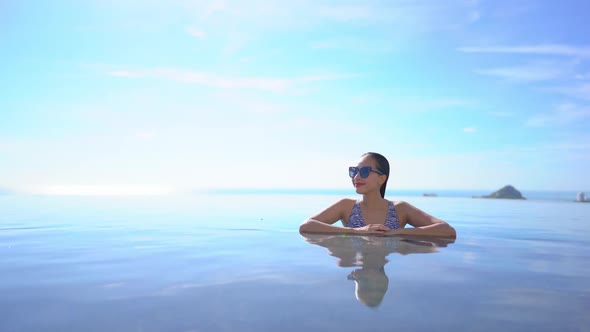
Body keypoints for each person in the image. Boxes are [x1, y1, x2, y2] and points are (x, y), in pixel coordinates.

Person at [299, 152, 456, 238]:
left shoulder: (400, 209)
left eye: (365, 171)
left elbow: (447, 231)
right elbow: (306, 226)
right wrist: (356, 231)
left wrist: (399, 232)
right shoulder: (346, 206)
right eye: (354, 171)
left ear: (382, 178)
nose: (357, 177)